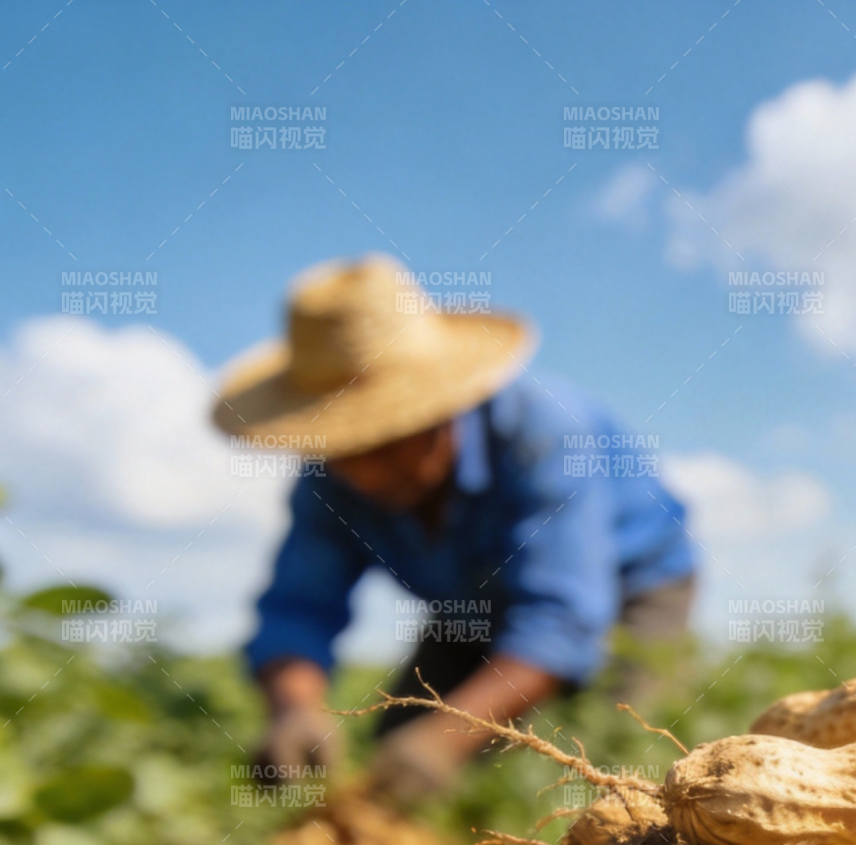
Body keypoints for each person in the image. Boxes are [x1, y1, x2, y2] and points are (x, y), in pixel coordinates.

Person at [211, 254, 695, 803]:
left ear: (440, 413)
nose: (366, 475)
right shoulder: (328, 482)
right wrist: (295, 709)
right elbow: (300, 607)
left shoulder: (547, 434)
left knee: (620, 763)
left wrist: (449, 738)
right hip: (475, 599)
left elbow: (560, 619)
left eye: (385, 444)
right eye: (345, 449)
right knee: (396, 754)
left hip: (636, 583)